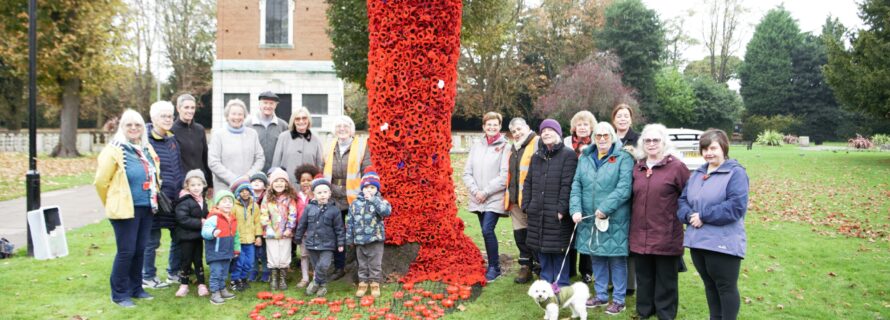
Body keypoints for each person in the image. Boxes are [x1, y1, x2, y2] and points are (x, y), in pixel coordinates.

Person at [678, 129, 749, 320]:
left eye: (713, 148)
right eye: (704, 149)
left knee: (725, 288)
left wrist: (704, 216)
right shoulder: (698, 173)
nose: (708, 153)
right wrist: (687, 214)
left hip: (723, 243)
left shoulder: (736, 173)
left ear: (724, 148)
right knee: (709, 285)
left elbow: (736, 206)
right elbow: (683, 199)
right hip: (698, 241)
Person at [94, 109, 162, 307]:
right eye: (129, 125)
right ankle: (119, 294)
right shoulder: (114, 149)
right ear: (122, 128)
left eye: (138, 125)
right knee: (126, 251)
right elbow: (100, 182)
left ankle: (136, 288)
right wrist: (112, 202)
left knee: (140, 250)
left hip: (146, 207)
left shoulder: (146, 148)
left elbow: (155, 173)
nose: (134, 128)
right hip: (125, 210)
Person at [571, 122, 633, 315]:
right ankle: (601, 295)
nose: (602, 139)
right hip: (590, 218)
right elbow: (576, 185)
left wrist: (605, 208)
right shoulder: (585, 157)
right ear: (593, 138)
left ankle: (619, 300)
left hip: (614, 218)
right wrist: (575, 209)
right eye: (598, 136)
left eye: (606, 135)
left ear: (612, 137)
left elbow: (624, 188)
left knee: (616, 259)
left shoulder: (624, 157)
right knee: (596, 256)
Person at [630, 124, 690, 320]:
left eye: (656, 140)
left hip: (666, 234)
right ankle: (644, 311)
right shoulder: (638, 167)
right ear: (642, 144)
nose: (652, 144)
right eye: (647, 140)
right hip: (640, 233)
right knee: (644, 277)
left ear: (664, 142)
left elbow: (687, 197)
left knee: (666, 279)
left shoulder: (677, 167)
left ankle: (665, 314)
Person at [522, 119, 578, 288]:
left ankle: (561, 283)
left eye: (550, 130)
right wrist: (526, 205)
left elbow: (568, 184)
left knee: (559, 248)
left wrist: (561, 209)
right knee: (542, 248)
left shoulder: (568, 155)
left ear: (558, 133)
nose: (546, 133)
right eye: (543, 130)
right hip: (537, 210)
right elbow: (528, 182)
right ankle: (546, 282)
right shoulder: (537, 156)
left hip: (557, 212)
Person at [462, 111, 509, 282]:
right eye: (488, 124)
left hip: (494, 197)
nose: (491, 127)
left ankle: (494, 267)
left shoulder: (505, 146)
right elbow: (467, 172)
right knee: (485, 232)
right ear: (484, 126)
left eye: (495, 124)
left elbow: (504, 176)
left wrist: (486, 192)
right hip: (477, 197)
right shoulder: (476, 146)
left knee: (487, 229)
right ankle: (493, 263)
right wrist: (476, 192)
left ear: (499, 126)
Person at [323, 115, 371, 280]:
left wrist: (367, 192)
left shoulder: (362, 146)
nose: (342, 129)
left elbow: (366, 170)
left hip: (354, 197)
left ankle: (360, 268)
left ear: (351, 129)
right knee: (336, 234)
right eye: (338, 126)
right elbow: (324, 168)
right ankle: (338, 267)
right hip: (333, 197)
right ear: (334, 130)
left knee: (358, 233)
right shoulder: (330, 146)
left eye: (345, 126)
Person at [142, 101, 183, 289]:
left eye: (170, 116)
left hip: (175, 198)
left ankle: (173, 273)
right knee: (152, 240)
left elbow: (178, 168)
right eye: (163, 116)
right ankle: (148, 276)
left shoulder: (172, 140)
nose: (168, 119)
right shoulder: (145, 141)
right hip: (156, 200)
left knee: (178, 237)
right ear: (153, 118)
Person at [294, 178, 346, 297]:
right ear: (314, 194)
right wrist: (298, 237)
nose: (322, 195)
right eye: (319, 193)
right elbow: (302, 224)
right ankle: (322, 286)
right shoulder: (309, 208)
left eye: (325, 192)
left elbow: (339, 228)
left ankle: (316, 282)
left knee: (324, 265)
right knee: (317, 266)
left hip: (328, 244)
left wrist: (341, 243)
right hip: (312, 243)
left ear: (329, 194)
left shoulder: (335, 210)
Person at [562, 110, 597, 284]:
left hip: (588, 192)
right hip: (569, 190)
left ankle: (586, 270)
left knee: (586, 231)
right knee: (569, 231)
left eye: (586, 124)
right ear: (574, 127)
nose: (582, 127)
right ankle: (569, 269)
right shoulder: (566, 143)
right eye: (579, 124)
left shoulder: (597, 144)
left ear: (591, 127)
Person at [346, 169, 392, 298]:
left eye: (372, 187)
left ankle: (375, 283)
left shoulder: (381, 201)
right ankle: (363, 283)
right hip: (360, 240)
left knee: (375, 264)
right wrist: (349, 239)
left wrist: (374, 200)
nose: (369, 190)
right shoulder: (355, 203)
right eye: (366, 187)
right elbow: (350, 222)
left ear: (377, 189)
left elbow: (386, 212)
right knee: (362, 264)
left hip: (375, 239)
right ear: (362, 189)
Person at [503, 117, 538, 284]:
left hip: (532, 199)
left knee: (535, 234)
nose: (517, 133)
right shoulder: (514, 148)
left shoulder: (537, 143)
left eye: (519, 129)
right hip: (516, 200)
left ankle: (539, 266)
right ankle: (526, 266)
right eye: (514, 131)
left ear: (527, 127)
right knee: (520, 234)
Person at [611, 103, 638, 296]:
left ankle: (629, 283)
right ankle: (614, 280)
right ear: (614, 119)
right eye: (619, 116)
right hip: (610, 195)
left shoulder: (638, 140)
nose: (622, 119)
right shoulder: (608, 138)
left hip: (632, 193)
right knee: (612, 237)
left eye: (625, 116)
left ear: (631, 119)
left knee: (628, 238)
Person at [208, 99, 265, 191]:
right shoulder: (218, 135)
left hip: (247, 186)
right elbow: (213, 162)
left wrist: (248, 176)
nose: (237, 117)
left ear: (244, 116)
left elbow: (260, 158)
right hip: (225, 188)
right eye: (233, 114)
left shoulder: (252, 134)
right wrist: (235, 180)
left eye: (240, 114)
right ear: (227, 116)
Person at [259, 168, 299, 291]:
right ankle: (274, 278)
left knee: (284, 255)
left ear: (286, 183)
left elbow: (293, 214)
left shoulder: (290, 198)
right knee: (273, 255)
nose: (279, 184)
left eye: (282, 181)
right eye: (276, 181)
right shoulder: (267, 198)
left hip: (285, 233)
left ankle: (282, 278)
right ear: (271, 184)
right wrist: (268, 228)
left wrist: (289, 228)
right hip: (271, 233)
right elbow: (264, 213)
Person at [173, 169, 210, 298]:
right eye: (192, 185)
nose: (196, 188)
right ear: (187, 186)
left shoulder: (201, 199)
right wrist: (201, 222)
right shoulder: (184, 199)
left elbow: (205, 214)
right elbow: (182, 219)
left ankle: (201, 284)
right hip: (186, 237)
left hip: (198, 237)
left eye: (199, 185)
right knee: (186, 261)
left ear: (203, 185)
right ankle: (184, 285)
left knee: (198, 260)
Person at [201, 190, 240, 305]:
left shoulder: (232, 219)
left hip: (227, 252)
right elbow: (205, 231)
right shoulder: (213, 218)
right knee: (216, 273)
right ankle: (214, 292)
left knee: (224, 273)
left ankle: (222, 289)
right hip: (215, 252)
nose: (228, 204)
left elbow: (236, 236)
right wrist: (213, 232)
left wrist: (236, 249)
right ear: (217, 204)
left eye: (230, 202)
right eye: (224, 202)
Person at [171, 94, 213, 197]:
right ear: (178, 108)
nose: (190, 111)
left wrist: (210, 183)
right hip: (182, 185)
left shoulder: (200, 129)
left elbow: (205, 157)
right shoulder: (171, 130)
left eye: (192, 107)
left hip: (199, 184)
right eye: (186, 107)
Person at [271, 106, 325, 185]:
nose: (301, 121)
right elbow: (276, 163)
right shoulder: (283, 137)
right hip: (287, 186)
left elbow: (319, 165)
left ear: (308, 120)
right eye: (297, 119)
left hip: (309, 187)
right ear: (293, 121)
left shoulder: (316, 138)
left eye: (304, 118)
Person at [228, 176, 262, 292]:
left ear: (250, 191)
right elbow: (231, 222)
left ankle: (243, 279)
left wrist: (258, 236)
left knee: (249, 262)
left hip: (250, 240)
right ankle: (234, 280)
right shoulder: (234, 206)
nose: (245, 193)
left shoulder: (255, 206)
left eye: (247, 190)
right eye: (242, 191)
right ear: (238, 193)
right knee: (239, 261)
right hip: (239, 240)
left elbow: (257, 222)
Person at [246, 91, 289, 172]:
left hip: (276, 174)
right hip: (253, 173)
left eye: (271, 103)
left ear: (276, 105)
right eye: (265, 103)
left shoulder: (283, 125)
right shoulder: (248, 125)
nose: (268, 106)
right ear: (259, 104)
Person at [293, 164, 321, 288]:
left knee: (315, 255)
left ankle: (316, 277)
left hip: (315, 231)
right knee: (304, 255)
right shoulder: (296, 196)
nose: (306, 183)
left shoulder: (317, 195)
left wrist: (312, 196)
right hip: (302, 231)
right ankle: (304, 278)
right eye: (303, 180)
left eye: (309, 180)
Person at [248, 172, 272, 283]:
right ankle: (253, 270)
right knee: (251, 251)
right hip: (250, 228)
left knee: (263, 251)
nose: (257, 183)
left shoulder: (268, 196)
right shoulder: (247, 196)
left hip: (264, 228)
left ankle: (266, 271)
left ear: (265, 185)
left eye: (260, 181)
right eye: (254, 181)